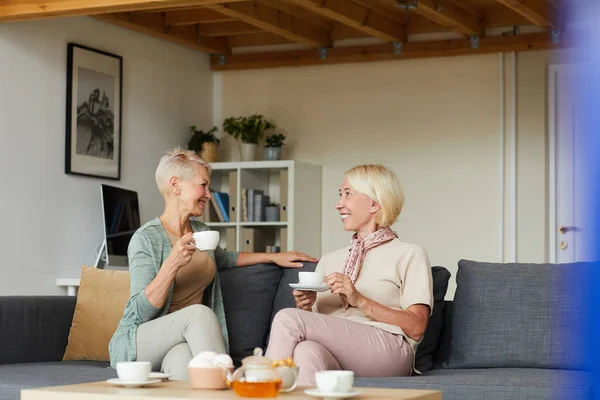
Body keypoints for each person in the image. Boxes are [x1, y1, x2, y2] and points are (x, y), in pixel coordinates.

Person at [108, 148, 317, 379]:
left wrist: (272, 257)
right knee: (198, 314)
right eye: (203, 185)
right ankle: (231, 386)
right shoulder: (145, 239)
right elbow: (141, 311)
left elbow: (224, 258)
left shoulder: (201, 231)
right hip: (139, 341)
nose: (208, 193)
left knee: (185, 365)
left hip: (180, 341)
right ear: (175, 185)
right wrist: (172, 264)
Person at [266, 164, 433, 385]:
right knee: (306, 351)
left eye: (348, 194)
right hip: (339, 352)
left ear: (374, 203)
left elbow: (417, 327)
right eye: (340, 195)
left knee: (287, 318)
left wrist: (359, 300)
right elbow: (319, 327)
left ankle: (259, 387)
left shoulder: (409, 254)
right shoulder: (329, 260)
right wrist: (306, 307)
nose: (338, 204)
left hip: (387, 350)